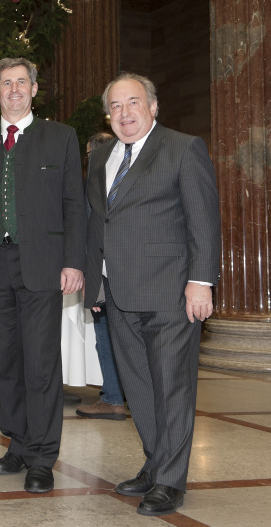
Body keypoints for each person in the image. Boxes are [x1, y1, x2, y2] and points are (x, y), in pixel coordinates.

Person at [84, 73, 220, 516]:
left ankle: (169, 481)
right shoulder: (101, 157)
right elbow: (97, 223)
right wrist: (95, 281)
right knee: (139, 388)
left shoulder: (183, 148)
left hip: (170, 292)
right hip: (118, 294)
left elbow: (203, 220)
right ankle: (156, 462)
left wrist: (201, 281)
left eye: (133, 103)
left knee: (172, 389)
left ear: (153, 107)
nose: (125, 113)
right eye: (116, 106)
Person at [0, 58, 86, 493]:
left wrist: (74, 262)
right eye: (6, 83)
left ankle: (42, 454)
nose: (14, 89)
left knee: (41, 363)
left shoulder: (61, 137)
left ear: (35, 89)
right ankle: (17, 443)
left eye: (22, 82)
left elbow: (75, 204)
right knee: (8, 362)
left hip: (43, 265)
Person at [75, 131, 126, 421]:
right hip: (130, 274)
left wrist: (89, 281)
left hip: (103, 274)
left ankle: (112, 398)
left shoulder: (92, 184)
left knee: (105, 335)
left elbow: (86, 232)